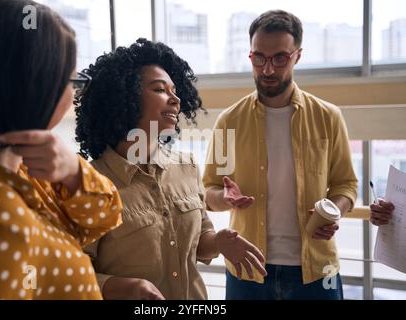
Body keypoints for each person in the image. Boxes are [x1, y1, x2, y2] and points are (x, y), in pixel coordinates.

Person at [76, 38, 267, 300]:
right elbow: (70, 272)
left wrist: (220, 243)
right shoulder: (88, 183)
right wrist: (120, 287)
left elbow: (200, 240)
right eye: (160, 89)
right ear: (125, 96)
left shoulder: (186, 166)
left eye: (175, 90)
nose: (175, 99)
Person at [0, 0, 122, 299]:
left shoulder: (25, 166)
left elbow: (105, 217)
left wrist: (73, 172)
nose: (74, 94)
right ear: (36, 86)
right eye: (72, 80)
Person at [202, 10, 358, 300]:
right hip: (247, 268)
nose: (268, 69)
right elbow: (208, 189)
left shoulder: (328, 117)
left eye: (280, 58)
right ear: (251, 56)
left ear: (297, 56)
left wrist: (333, 211)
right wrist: (225, 198)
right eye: (259, 58)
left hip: (317, 268)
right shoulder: (229, 121)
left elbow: (346, 186)